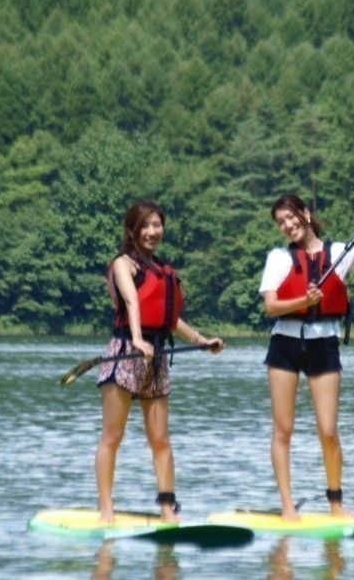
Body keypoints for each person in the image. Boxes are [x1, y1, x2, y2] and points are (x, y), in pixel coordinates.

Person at [259, 194, 354, 520]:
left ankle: (336, 503)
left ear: (305, 214)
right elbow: (271, 307)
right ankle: (288, 507)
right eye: (281, 222)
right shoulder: (279, 258)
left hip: (324, 345)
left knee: (328, 430)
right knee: (283, 429)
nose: (288, 225)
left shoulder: (339, 253)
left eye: (291, 217)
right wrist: (301, 302)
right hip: (285, 346)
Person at [96, 199, 224, 523]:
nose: (153, 231)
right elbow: (132, 300)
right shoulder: (123, 264)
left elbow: (170, 319)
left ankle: (168, 508)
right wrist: (137, 339)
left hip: (156, 358)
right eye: (146, 226)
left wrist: (201, 340)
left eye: (157, 225)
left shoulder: (166, 270)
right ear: (132, 230)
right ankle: (106, 508)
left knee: (161, 440)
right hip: (126, 353)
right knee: (112, 437)